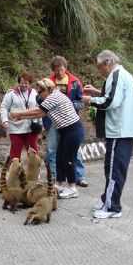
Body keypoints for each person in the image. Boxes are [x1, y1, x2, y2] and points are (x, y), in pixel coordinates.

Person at [82, 50, 133, 219]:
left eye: (100, 66)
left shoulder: (117, 76)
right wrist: (96, 92)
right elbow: (114, 97)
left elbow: (110, 102)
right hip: (122, 130)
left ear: (107, 62)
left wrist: (89, 100)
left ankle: (112, 207)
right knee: (112, 168)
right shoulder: (121, 75)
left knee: (114, 169)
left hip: (119, 131)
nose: (99, 70)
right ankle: (107, 200)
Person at [10, 78, 85, 198]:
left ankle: (72, 187)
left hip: (73, 130)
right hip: (64, 131)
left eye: (40, 92)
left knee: (68, 159)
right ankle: (60, 184)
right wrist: (22, 117)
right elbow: (41, 113)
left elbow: (39, 111)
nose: (39, 95)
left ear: (48, 89)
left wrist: (19, 113)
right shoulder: (52, 96)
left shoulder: (54, 96)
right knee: (60, 158)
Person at [45, 56, 88, 190]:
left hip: (70, 120)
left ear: (65, 67)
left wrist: (70, 104)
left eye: (61, 69)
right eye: (56, 70)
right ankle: (56, 176)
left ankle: (79, 176)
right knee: (53, 149)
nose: (59, 72)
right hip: (53, 120)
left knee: (73, 151)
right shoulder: (49, 82)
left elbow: (82, 102)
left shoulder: (75, 82)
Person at [0, 71, 42, 159]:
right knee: (15, 153)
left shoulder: (34, 93)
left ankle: (34, 172)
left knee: (33, 152)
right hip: (15, 128)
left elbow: (39, 109)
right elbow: (4, 107)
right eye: (22, 83)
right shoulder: (11, 93)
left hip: (31, 127)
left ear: (30, 83)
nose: (24, 85)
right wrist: (5, 120)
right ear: (19, 82)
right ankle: (14, 171)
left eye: (26, 83)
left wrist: (40, 124)